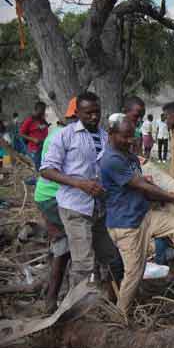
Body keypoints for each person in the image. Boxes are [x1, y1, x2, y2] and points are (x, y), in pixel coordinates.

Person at [100, 114, 174, 313]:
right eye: (125, 136)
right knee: (134, 273)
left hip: (144, 215)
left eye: (132, 136)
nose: (130, 140)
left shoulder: (129, 155)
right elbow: (141, 185)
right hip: (126, 225)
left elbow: (142, 185)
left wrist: (163, 193)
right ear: (111, 135)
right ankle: (119, 315)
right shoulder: (111, 159)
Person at [40, 92, 124, 296]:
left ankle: (114, 303)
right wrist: (79, 183)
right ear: (77, 113)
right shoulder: (64, 135)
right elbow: (46, 169)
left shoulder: (104, 137)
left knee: (113, 259)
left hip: (98, 210)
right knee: (83, 263)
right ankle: (77, 314)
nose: (94, 117)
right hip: (74, 207)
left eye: (97, 112)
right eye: (88, 113)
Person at [34, 98, 78, 313]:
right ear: (73, 117)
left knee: (65, 248)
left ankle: (54, 296)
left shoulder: (61, 134)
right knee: (66, 248)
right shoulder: (63, 137)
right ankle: (54, 301)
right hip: (53, 198)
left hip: (52, 196)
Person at [20, 101, 49, 172]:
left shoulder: (42, 119)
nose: (42, 113)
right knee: (39, 167)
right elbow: (21, 133)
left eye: (43, 111)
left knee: (45, 165)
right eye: (41, 111)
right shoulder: (29, 120)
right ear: (36, 110)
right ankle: (39, 180)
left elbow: (44, 128)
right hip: (35, 148)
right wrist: (33, 139)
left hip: (44, 145)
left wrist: (45, 126)